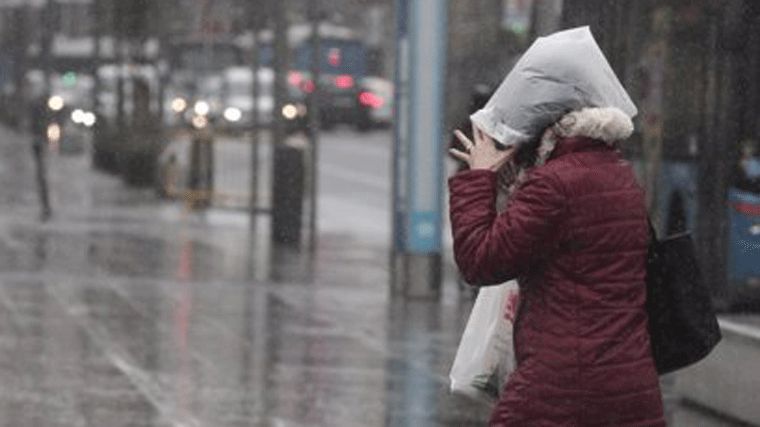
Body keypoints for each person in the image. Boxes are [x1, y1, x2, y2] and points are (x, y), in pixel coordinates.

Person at [447, 27, 666, 427]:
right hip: (631, 388)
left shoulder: (555, 185)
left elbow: (480, 262)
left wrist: (478, 179)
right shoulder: (617, 173)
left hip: (561, 390)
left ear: (545, 121)